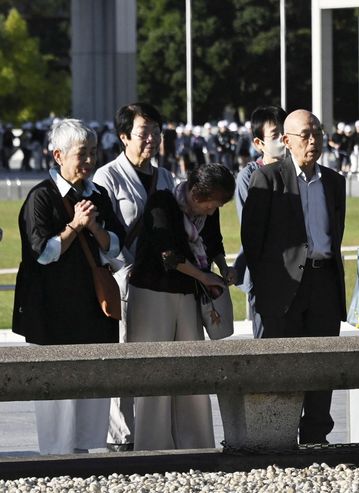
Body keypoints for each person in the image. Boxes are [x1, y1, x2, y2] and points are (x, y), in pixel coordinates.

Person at [12, 119, 125, 454]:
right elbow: (43, 255)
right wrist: (75, 225)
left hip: (94, 309)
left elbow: (116, 246)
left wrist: (94, 226)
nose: (89, 160)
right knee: (56, 395)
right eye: (82, 153)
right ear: (58, 155)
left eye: (93, 152)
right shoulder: (41, 198)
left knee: (93, 385)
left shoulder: (98, 194)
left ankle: (89, 454)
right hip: (52, 313)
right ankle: (58, 460)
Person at [241, 109, 346, 444]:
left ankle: (317, 438)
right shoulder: (268, 179)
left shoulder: (334, 181)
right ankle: (277, 439)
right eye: (305, 135)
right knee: (283, 367)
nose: (313, 140)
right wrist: (266, 288)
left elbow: (336, 232)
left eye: (317, 132)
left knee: (322, 367)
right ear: (286, 141)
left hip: (324, 284)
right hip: (282, 289)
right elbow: (252, 241)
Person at [126, 163, 235, 451]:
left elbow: (213, 242)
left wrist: (224, 269)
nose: (213, 211)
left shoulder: (209, 211)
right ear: (197, 194)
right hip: (151, 293)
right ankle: (152, 447)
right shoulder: (162, 202)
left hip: (188, 295)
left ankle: (197, 444)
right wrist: (205, 276)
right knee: (153, 373)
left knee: (193, 372)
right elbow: (168, 255)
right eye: (212, 204)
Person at [93, 102, 176, 452]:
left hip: (163, 283)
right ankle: (121, 437)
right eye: (144, 132)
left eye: (157, 131)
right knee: (125, 358)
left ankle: (157, 432)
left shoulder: (167, 177)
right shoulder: (107, 177)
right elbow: (101, 235)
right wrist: (123, 272)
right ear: (124, 136)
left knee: (161, 359)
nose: (152, 139)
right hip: (125, 283)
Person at [233, 105, 287, 338]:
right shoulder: (250, 176)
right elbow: (253, 228)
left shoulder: (297, 171)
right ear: (258, 143)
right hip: (265, 275)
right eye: (275, 135)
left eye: (286, 133)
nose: (283, 141)